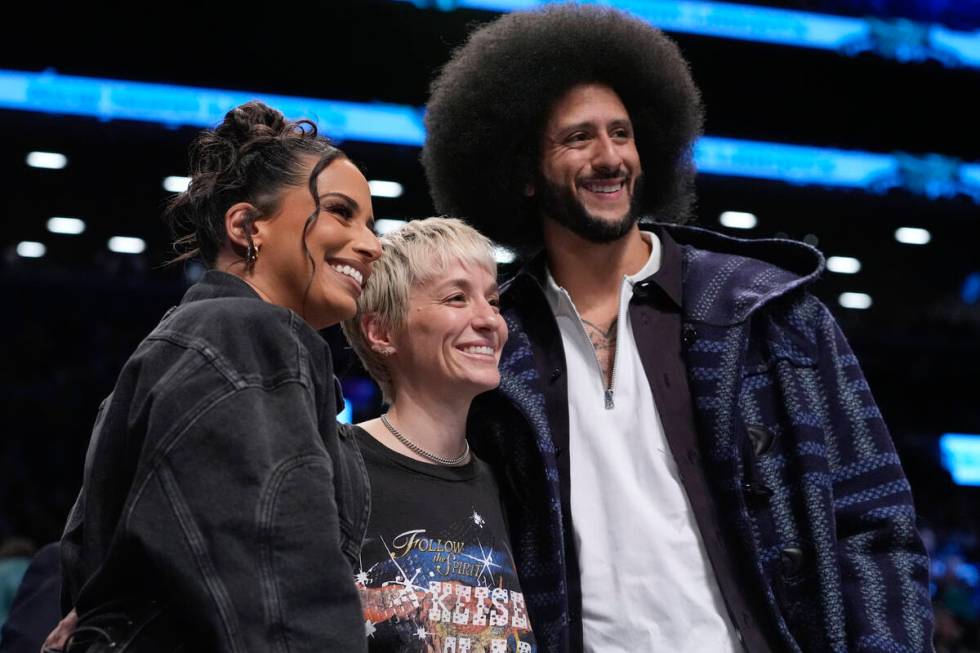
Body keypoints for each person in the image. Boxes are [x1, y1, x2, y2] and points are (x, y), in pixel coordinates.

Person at [422, 5, 933, 653]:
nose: (610, 157)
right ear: (522, 173)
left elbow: (875, 519)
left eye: (622, 134)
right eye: (578, 138)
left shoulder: (770, 311)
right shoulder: (494, 344)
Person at [55, 100, 381, 651]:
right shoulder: (244, 334)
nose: (372, 243)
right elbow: (281, 595)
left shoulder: (198, 338)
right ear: (247, 227)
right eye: (341, 212)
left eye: (369, 222)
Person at [341, 217, 536, 652]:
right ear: (382, 332)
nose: (489, 321)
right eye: (456, 298)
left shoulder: (516, 485)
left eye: (493, 300)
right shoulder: (333, 467)